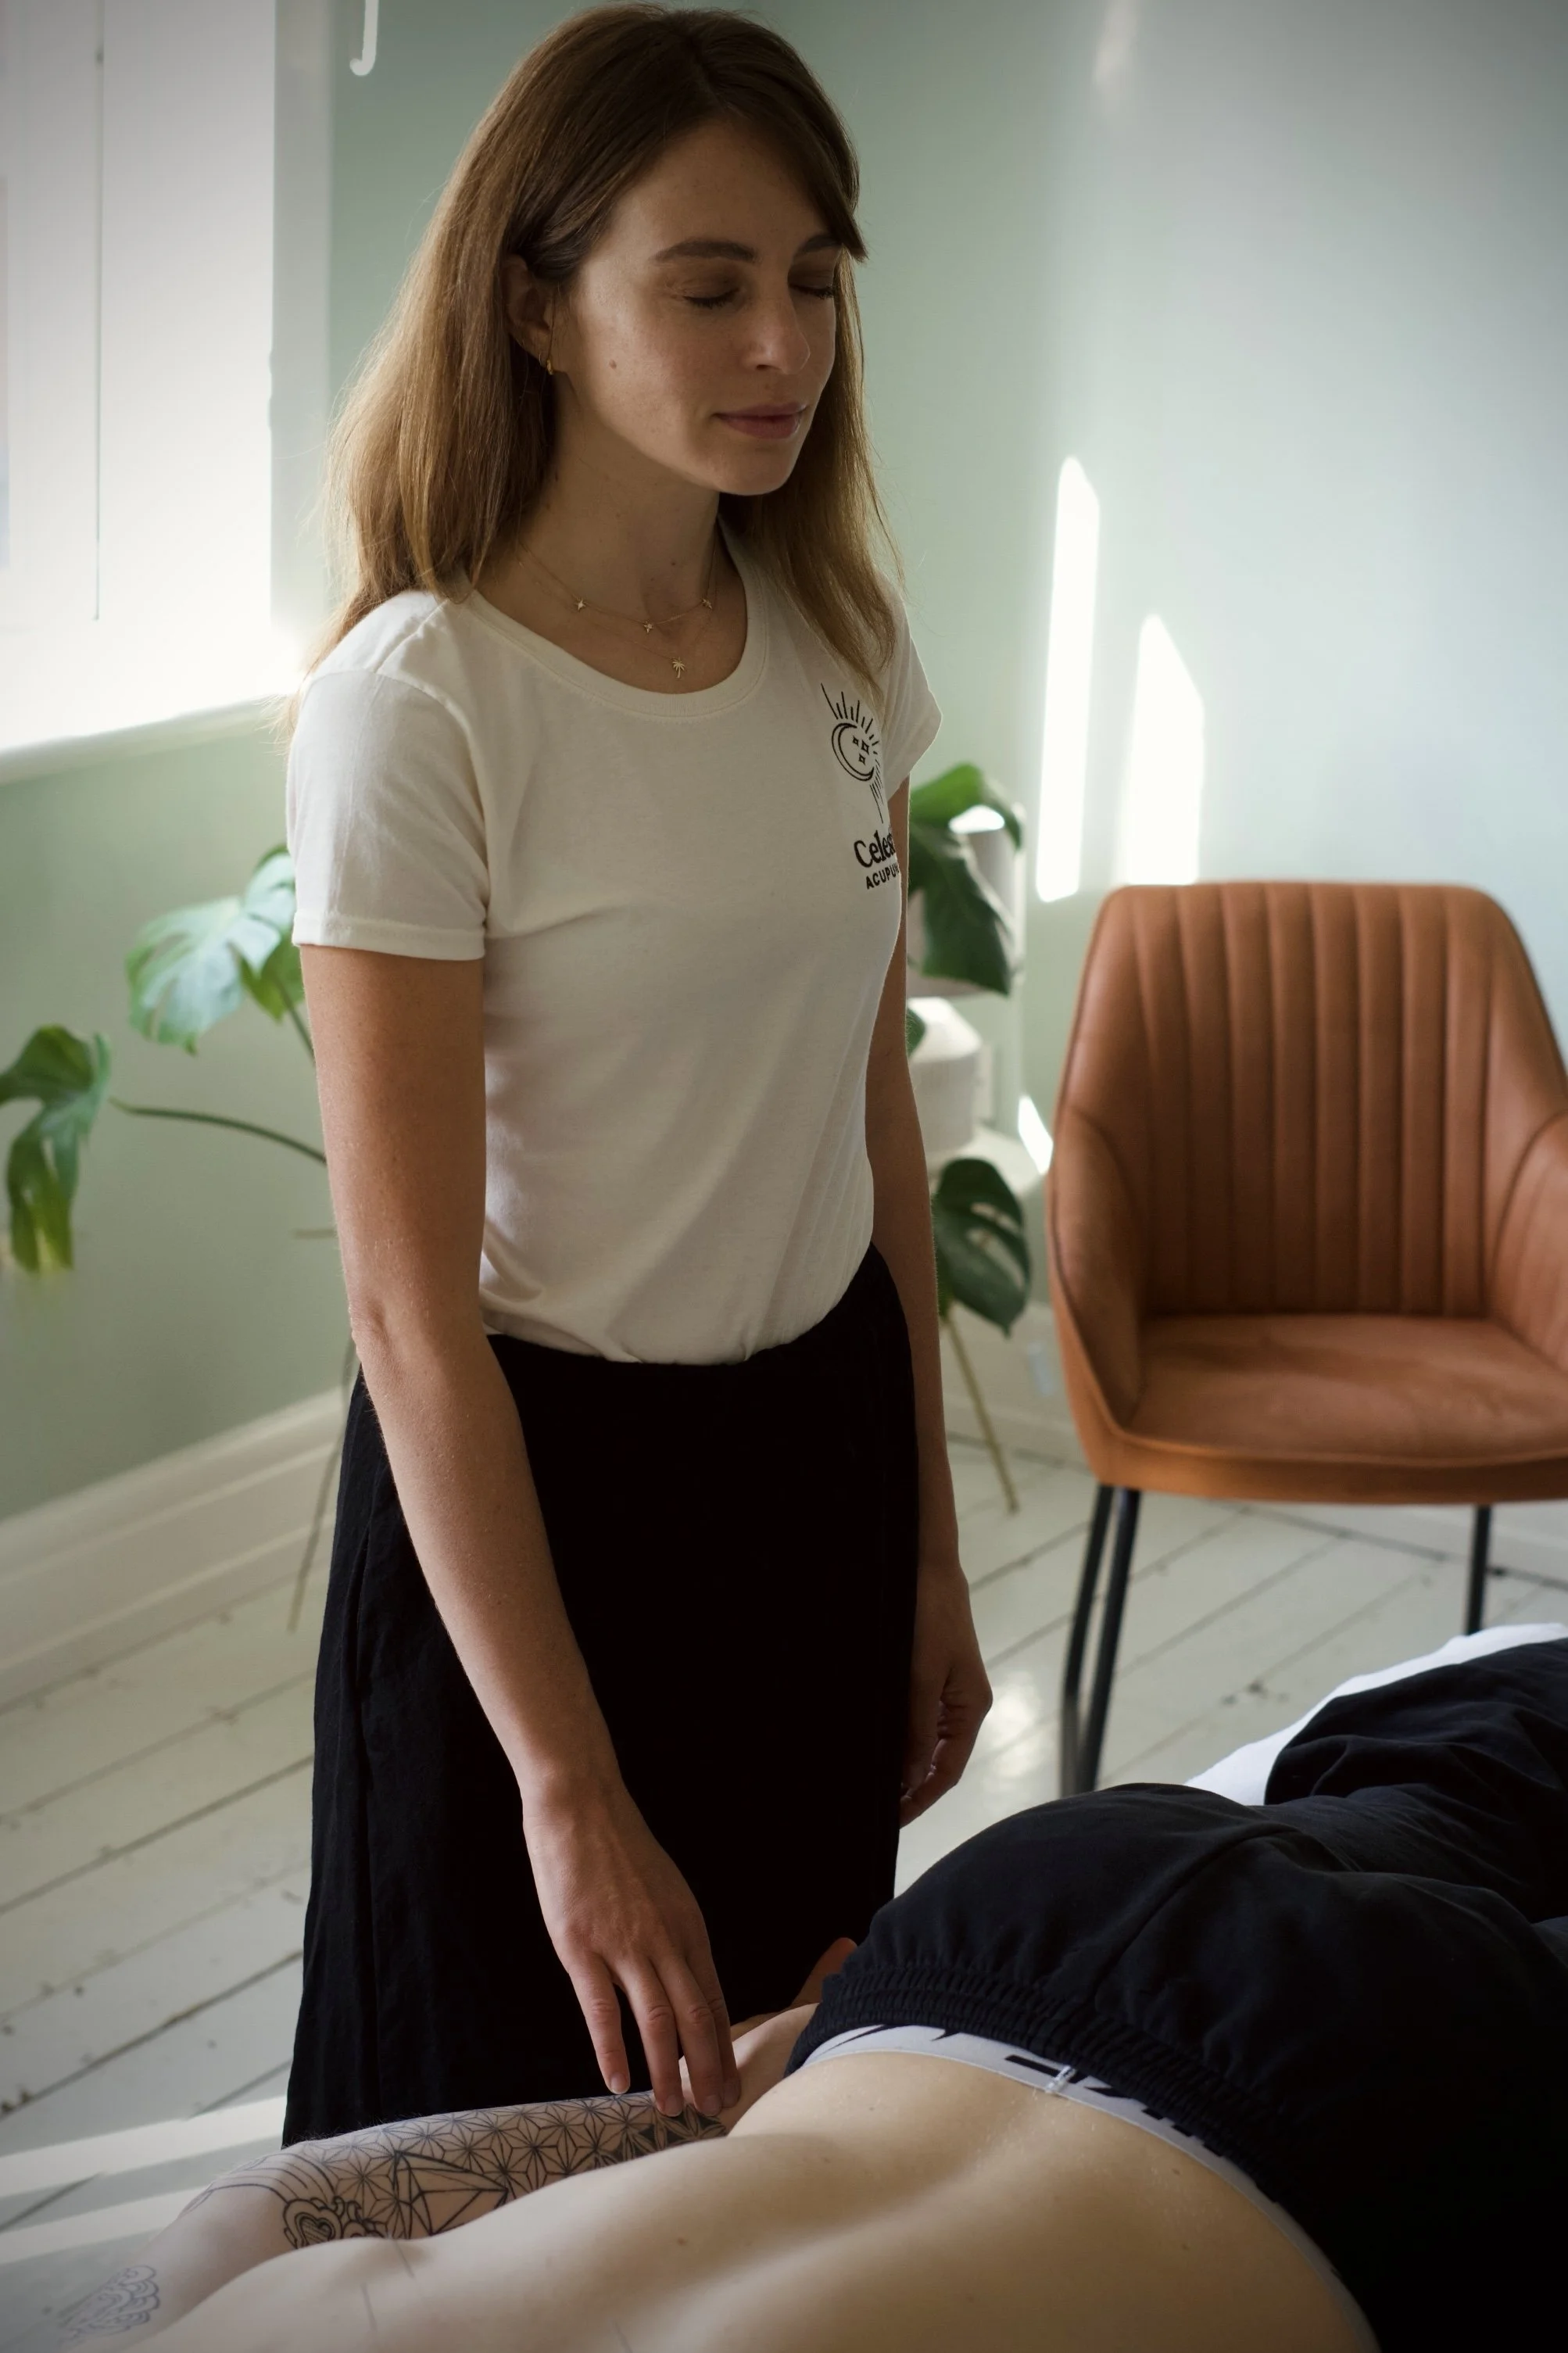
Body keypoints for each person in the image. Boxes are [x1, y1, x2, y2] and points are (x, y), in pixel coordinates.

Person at [281, 2, 990, 2143]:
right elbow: (409, 1311)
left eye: (809, 278)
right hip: (537, 1517)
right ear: (536, 306)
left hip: (813, 1475)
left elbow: (869, 1129)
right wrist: (564, 1789)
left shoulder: (843, 649)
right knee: (498, 2173)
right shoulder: (427, 702)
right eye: (705, 286)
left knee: (774, 2145)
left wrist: (927, 1560)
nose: (779, 339)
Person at [65, 1631, 1568, 2352]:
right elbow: (245, 2219)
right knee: (1458, 1755)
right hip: (1003, 1944)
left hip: (1342, 2105)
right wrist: (765, 2080)